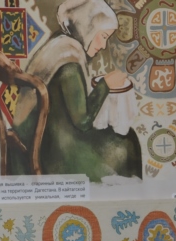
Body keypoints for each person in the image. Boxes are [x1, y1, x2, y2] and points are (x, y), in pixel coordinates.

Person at [11, 0, 141, 181]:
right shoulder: (70, 63)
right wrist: (106, 84)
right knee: (128, 143)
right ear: (89, 28)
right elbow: (83, 121)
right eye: (103, 36)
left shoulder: (60, 43)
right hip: (54, 154)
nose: (103, 45)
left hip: (40, 140)